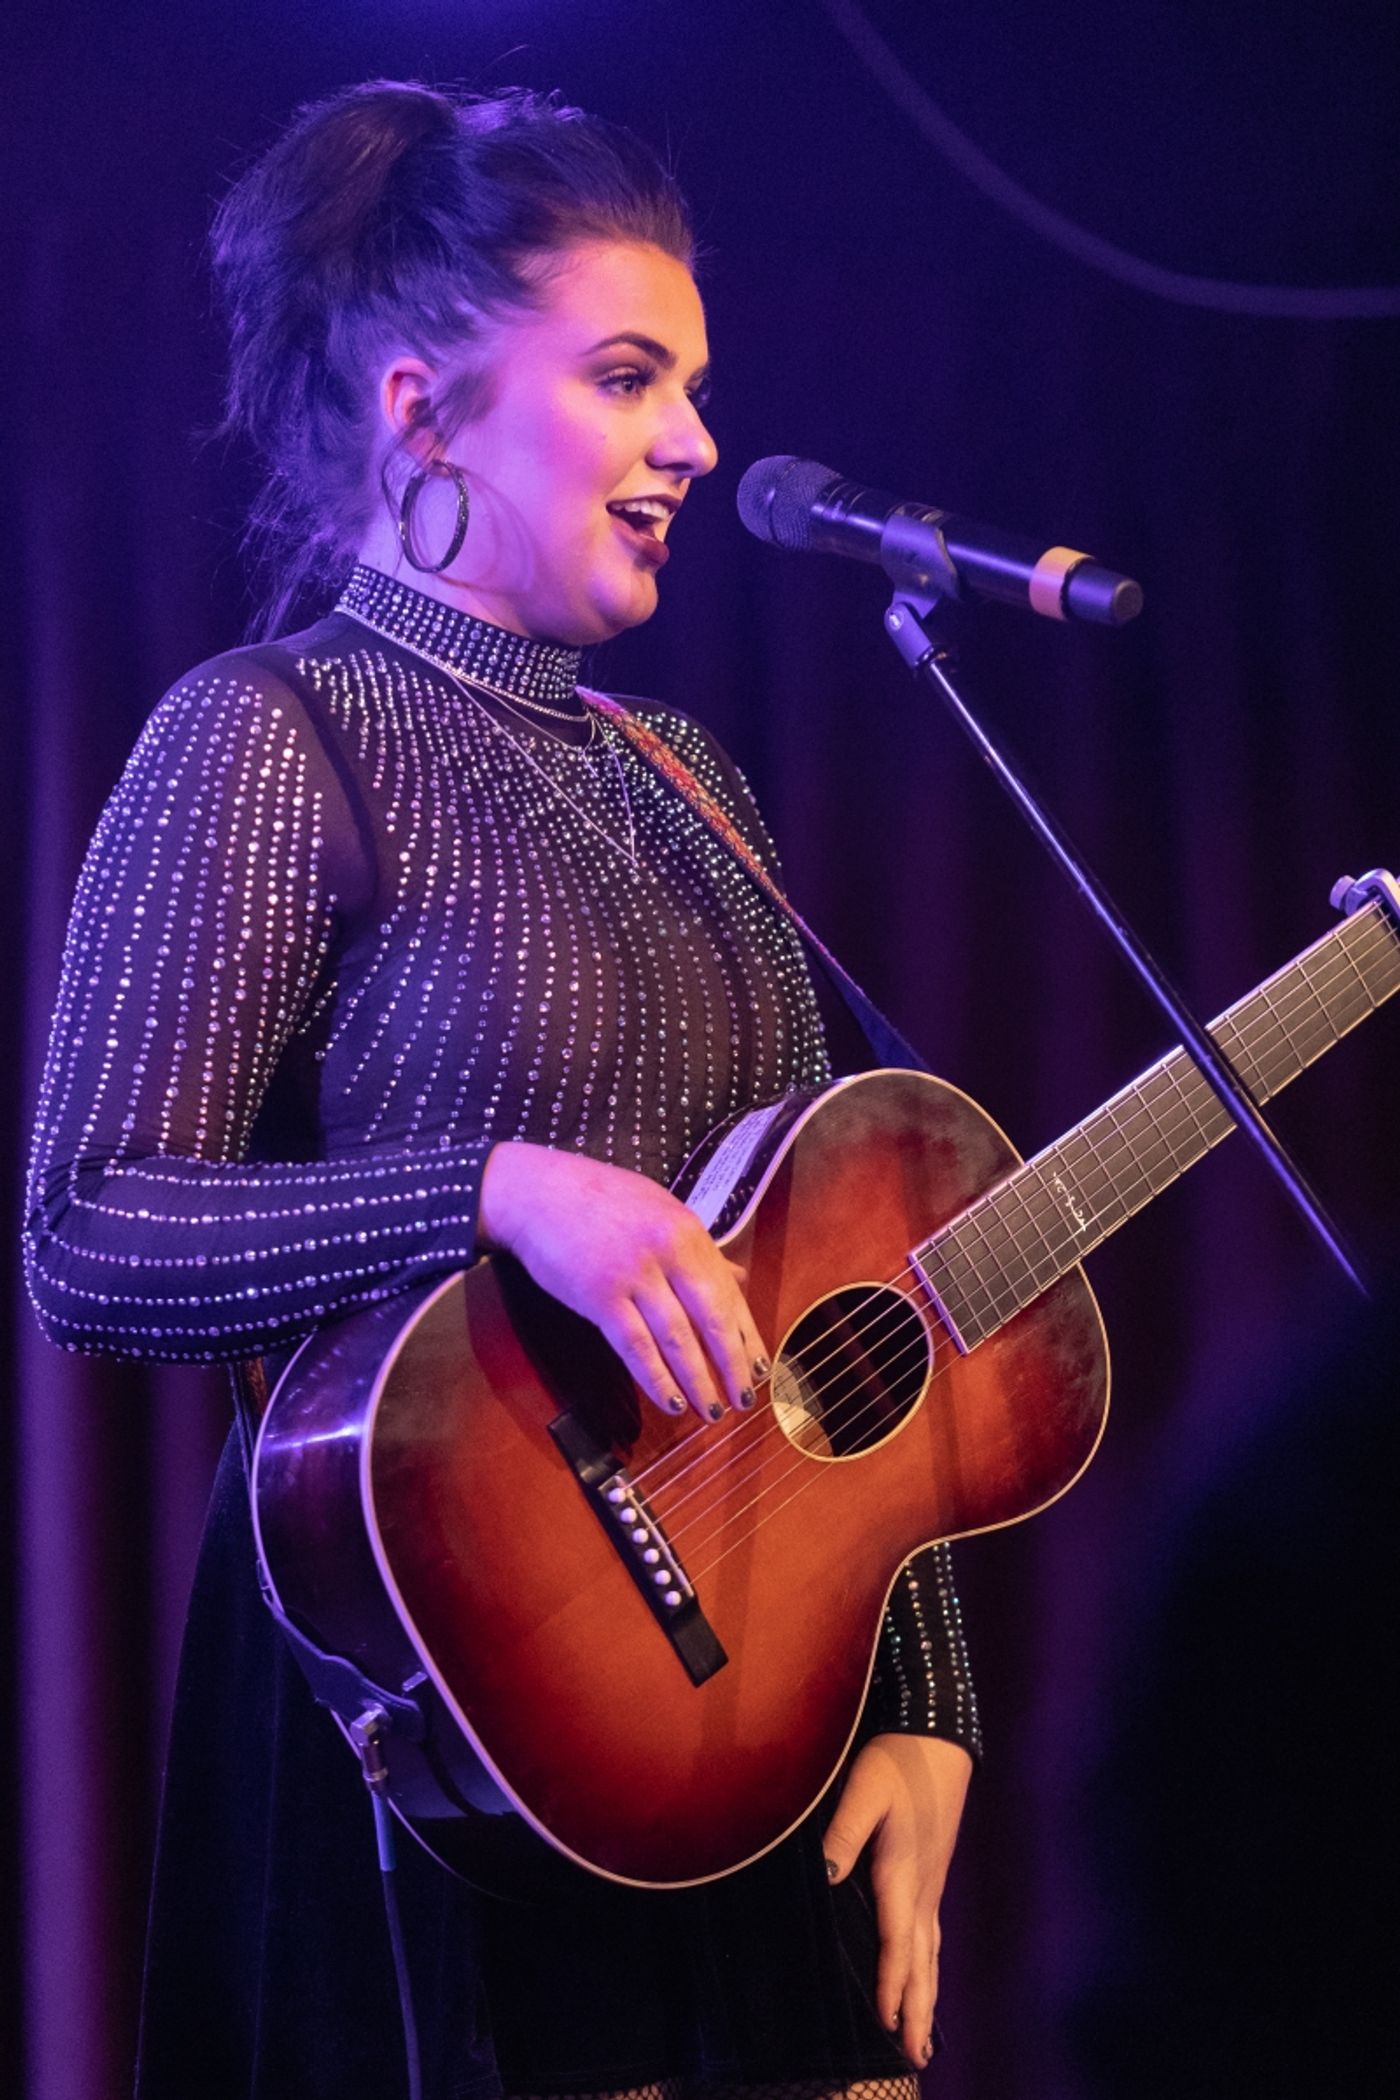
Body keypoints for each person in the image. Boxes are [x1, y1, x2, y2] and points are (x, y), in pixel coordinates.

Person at [24, 82, 980, 2100]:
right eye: (628, 377)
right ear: (421, 407)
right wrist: (492, 1187)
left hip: (757, 1694)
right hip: (439, 1704)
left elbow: (842, 1269)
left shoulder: (691, 776)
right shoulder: (267, 738)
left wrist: (927, 1700)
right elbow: (88, 1230)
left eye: (693, 386)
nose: (698, 447)